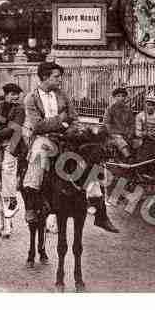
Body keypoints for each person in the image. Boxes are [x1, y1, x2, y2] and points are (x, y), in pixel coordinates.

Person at [23, 62, 119, 233]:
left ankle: (100, 213)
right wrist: (61, 121)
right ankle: (31, 204)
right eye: (56, 77)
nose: (60, 80)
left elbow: (74, 119)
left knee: (92, 155)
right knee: (38, 156)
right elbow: (38, 126)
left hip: (66, 137)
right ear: (45, 77)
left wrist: (71, 127)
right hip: (44, 139)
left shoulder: (62, 95)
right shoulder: (31, 98)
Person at [0, 83, 27, 218]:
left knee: (8, 168)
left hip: (14, 140)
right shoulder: (1, 105)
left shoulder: (20, 109)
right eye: (12, 95)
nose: (15, 97)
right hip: (0, 139)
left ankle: (12, 200)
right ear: (6, 95)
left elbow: (14, 127)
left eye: (17, 95)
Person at [103, 87, 135, 161]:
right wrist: (116, 133)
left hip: (126, 134)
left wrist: (130, 133)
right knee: (119, 139)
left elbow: (132, 124)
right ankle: (129, 157)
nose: (121, 98)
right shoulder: (110, 109)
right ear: (114, 97)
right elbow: (107, 124)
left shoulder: (128, 110)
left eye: (123, 96)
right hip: (114, 134)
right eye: (118, 96)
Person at [135, 96, 155, 161]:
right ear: (145, 105)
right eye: (148, 105)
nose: (150, 107)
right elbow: (137, 132)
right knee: (142, 155)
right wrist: (143, 134)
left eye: (153, 105)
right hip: (143, 139)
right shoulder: (140, 116)